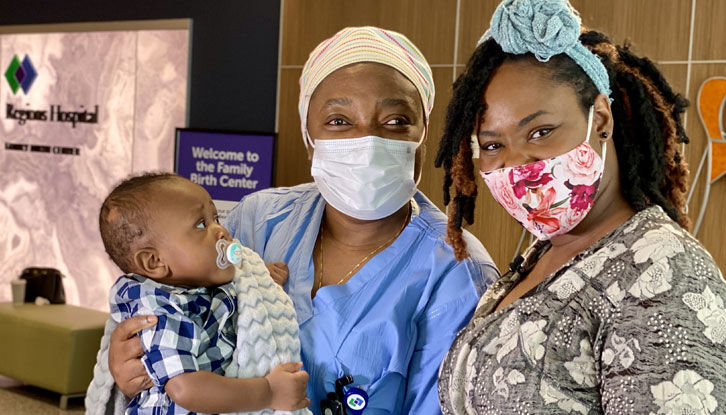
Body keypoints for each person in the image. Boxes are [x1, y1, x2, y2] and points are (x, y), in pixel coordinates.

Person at [106, 27, 499, 414]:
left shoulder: (457, 273)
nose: (367, 140)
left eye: (396, 121)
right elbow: (173, 336)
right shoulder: (258, 221)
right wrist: (129, 378)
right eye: (339, 121)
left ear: (424, 133)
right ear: (308, 135)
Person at [434, 0, 726, 413]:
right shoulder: (544, 256)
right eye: (492, 145)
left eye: (540, 132)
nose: (517, 164)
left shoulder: (666, 273)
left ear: (600, 119)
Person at [89, 172, 310, 414]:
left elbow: (238, 296)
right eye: (201, 224)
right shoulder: (158, 309)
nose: (221, 231)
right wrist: (269, 392)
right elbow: (185, 388)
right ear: (154, 261)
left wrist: (261, 280)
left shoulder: (197, 285)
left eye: (215, 218)